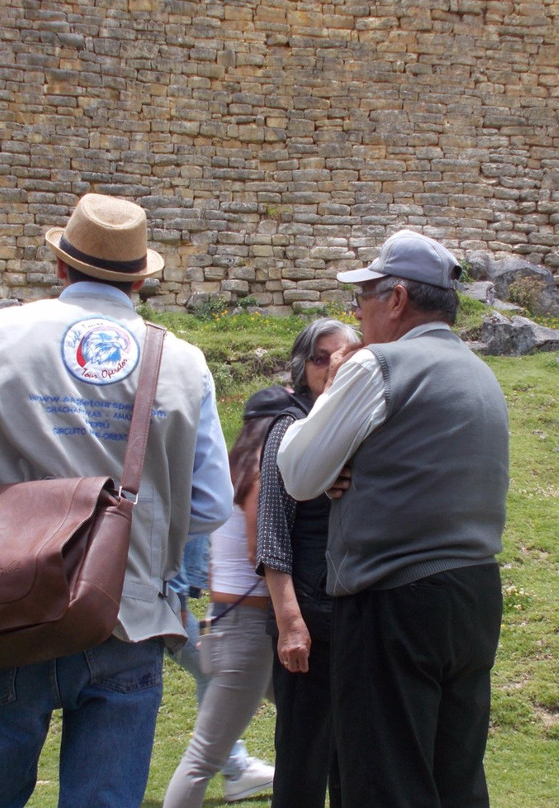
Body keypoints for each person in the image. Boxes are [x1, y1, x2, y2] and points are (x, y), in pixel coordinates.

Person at [0, 193, 233, 808]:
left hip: (12, 602)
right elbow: (209, 505)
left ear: (60, 267)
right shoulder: (183, 362)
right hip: (126, 614)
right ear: (139, 281)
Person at [277, 230, 509, 808]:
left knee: (384, 783)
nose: (357, 313)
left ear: (397, 299)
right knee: (455, 780)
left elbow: (298, 473)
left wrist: (331, 396)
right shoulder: (480, 373)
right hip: (474, 596)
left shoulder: (380, 364)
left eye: (364, 298)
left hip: (392, 603)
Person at [162, 386, 291, 808]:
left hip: (237, 624)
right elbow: (261, 552)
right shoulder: (258, 473)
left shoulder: (232, 470)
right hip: (247, 629)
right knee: (203, 757)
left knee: (320, 719)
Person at [256, 318, 357, 808]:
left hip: (353, 612)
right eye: (321, 357)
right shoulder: (289, 427)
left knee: (351, 753)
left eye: (345, 356)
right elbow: (271, 532)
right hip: (308, 611)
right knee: (302, 750)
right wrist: (290, 623)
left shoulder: (354, 426)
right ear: (303, 369)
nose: (334, 367)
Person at [166, 536, 275, 802]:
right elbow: (258, 555)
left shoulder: (233, 493)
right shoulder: (253, 492)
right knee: (202, 757)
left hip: (224, 611)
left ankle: (236, 768)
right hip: (239, 618)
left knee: (314, 708)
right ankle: (236, 769)